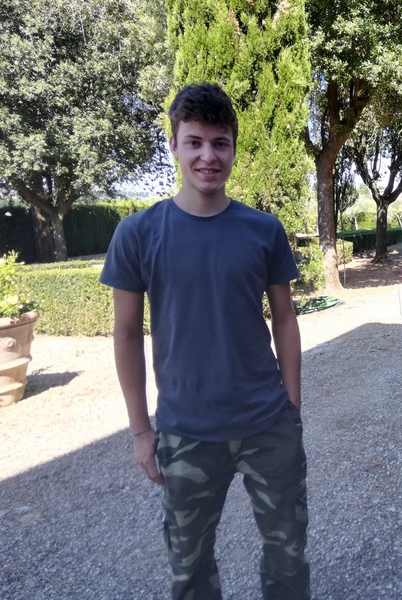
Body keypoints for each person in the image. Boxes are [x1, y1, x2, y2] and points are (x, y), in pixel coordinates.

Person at [100, 83, 310, 600]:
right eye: (194, 142)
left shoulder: (263, 230)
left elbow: (285, 320)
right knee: (189, 569)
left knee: (287, 558)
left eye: (220, 143)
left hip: (268, 425)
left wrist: (292, 407)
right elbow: (125, 335)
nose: (207, 156)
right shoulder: (138, 233)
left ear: (234, 148)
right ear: (173, 145)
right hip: (185, 431)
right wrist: (140, 430)